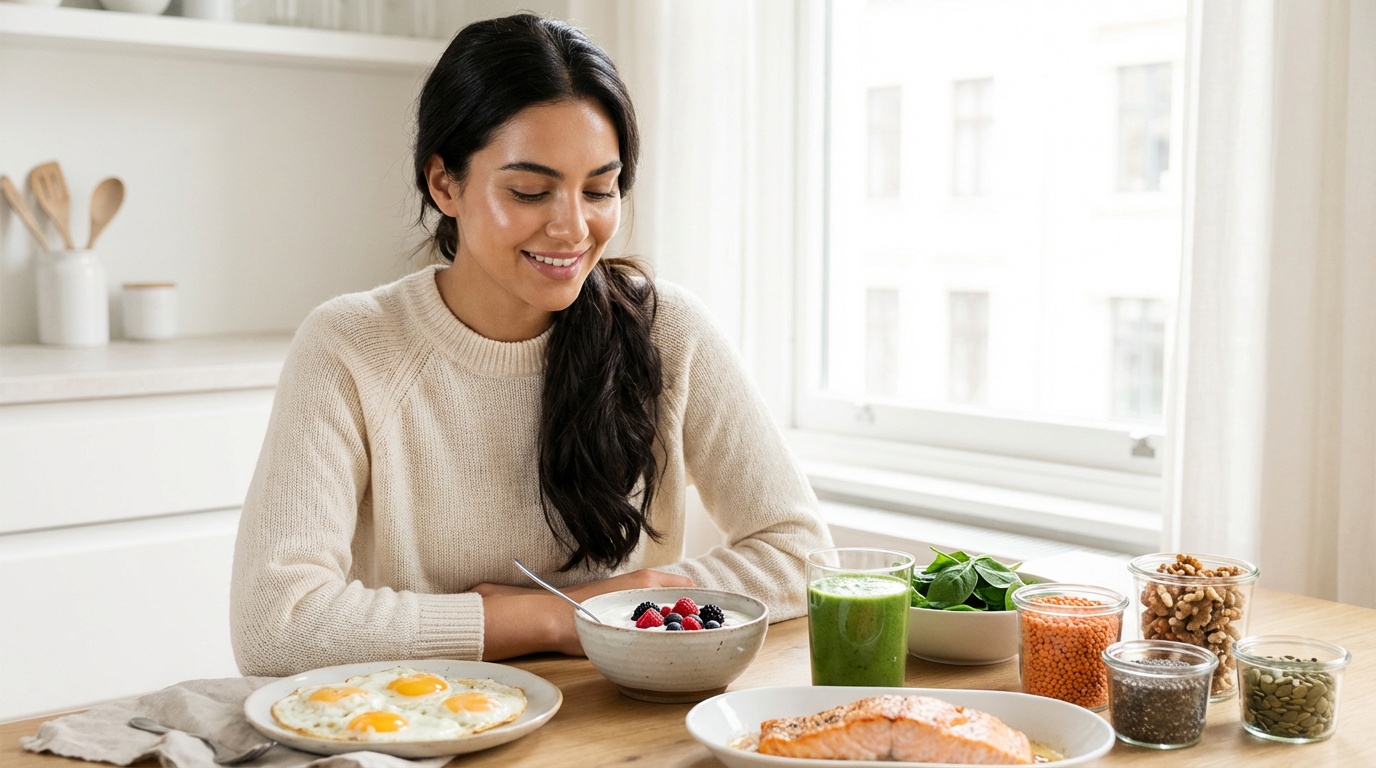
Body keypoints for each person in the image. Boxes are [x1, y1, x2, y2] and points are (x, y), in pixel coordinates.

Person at [229, 12, 831, 677]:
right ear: (444, 183)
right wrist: (551, 618)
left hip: (613, 721)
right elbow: (275, 626)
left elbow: (803, 555)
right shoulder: (351, 347)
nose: (574, 228)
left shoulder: (668, 332)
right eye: (530, 191)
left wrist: (623, 597)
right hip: (417, 725)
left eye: (601, 189)